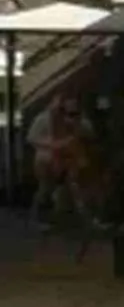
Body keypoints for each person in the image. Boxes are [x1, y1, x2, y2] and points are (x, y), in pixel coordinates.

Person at [27, 95, 91, 230]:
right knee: (45, 187)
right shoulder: (43, 119)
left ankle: (84, 217)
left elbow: (86, 132)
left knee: (75, 185)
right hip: (47, 157)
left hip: (67, 157)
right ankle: (37, 217)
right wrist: (51, 144)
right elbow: (32, 138)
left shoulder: (74, 120)